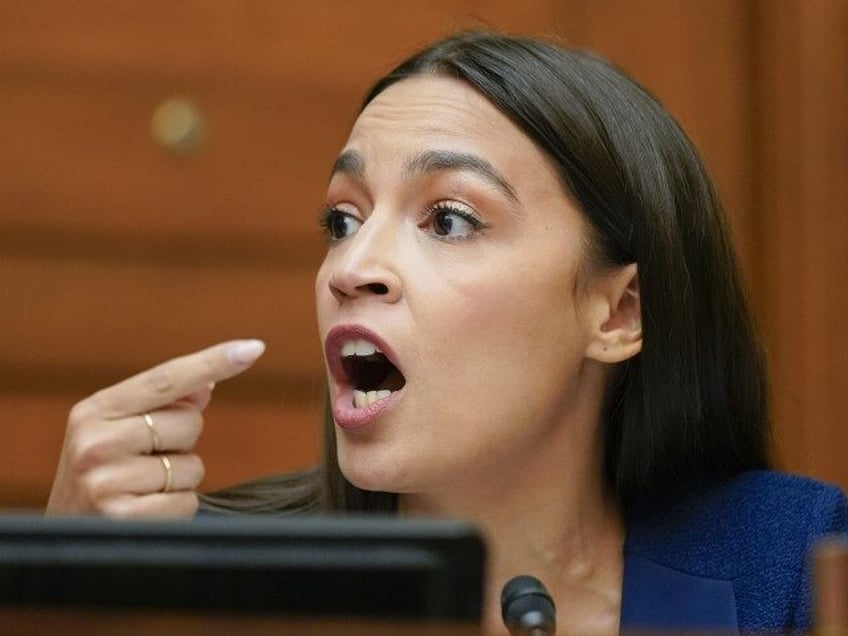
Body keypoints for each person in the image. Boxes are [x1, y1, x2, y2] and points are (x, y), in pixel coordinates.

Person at [45, 32, 846, 633]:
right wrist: (61, 594)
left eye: (449, 219)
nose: (352, 266)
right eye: (342, 218)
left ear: (618, 313)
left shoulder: (784, 566)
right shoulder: (211, 579)